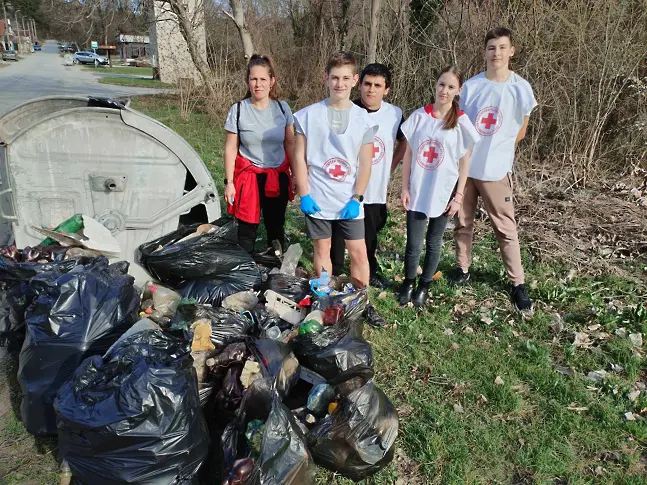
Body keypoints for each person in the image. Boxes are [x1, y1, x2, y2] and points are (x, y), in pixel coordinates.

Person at [451, 27, 537, 311]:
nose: (496, 53)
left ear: (511, 51)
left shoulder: (520, 87)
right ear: (484, 52)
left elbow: (521, 128)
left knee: (505, 227)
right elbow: (460, 124)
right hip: (466, 169)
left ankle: (517, 283)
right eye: (491, 47)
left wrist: (502, 150)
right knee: (463, 222)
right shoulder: (472, 87)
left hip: (496, 169)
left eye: (502, 47)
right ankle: (463, 270)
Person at [292, 52, 377, 288]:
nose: (340, 84)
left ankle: (361, 301)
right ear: (326, 78)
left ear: (354, 80)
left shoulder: (364, 119)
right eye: (335, 78)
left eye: (345, 78)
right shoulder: (308, 115)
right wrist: (305, 194)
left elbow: (366, 164)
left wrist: (357, 197)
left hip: (349, 197)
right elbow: (299, 157)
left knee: (359, 252)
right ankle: (325, 297)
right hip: (318, 195)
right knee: (322, 250)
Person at [399, 66, 480, 307]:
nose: (444, 91)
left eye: (451, 87)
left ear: (459, 91)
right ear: (435, 85)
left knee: (434, 242)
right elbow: (409, 154)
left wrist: (459, 195)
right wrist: (404, 187)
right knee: (413, 244)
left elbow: (465, 161)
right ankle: (408, 282)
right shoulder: (419, 117)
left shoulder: (462, 122)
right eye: (441, 84)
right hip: (418, 189)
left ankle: (424, 285)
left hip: (443, 192)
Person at [329, 63, 406, 289]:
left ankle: (369, 269)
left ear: (387, 90)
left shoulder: (394, 114)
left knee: (370, 232)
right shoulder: (346, 110)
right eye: (367, 84)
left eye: (377, 85)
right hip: (346, 187)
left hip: (375, 188)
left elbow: (405, 140)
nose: (371, 90)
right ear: (359, 84)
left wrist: (391, 164)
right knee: (338, 230)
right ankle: (334, 269)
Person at [223, 54, 295, 254]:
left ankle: (275, 268)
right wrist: (229, 183)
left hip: (277, 176)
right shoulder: (238, 110)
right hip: (249, 178)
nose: (258, 84)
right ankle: (245, 272)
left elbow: (290, 144)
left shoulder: (283, 108)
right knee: (247, 230)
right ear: (247, 81)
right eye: (253, 79)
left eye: (263, 79)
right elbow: (230, 149)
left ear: (272, 81)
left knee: (276, 226)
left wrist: (295, 176)